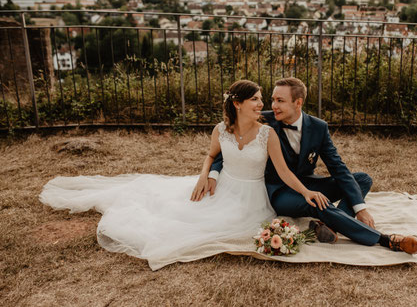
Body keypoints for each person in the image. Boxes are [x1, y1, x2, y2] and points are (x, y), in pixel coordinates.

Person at [39, 80, 333, 270]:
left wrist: (306, 192)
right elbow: (211, 155)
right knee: (184, 217)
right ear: (237, 103)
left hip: (253, 195)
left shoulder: (267, 132)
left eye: (262, 99)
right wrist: (204, 175)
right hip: (224, 187)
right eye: (256, 100)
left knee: (223, 226)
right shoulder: (220, 130)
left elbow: (282, 171)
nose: (262, 105)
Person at [207, 78, 417, 255]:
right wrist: (212, 174)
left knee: (362, 179)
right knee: (317, 203)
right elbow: (231, 147)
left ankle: (329, 226)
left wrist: (360, 207)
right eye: (272, 99)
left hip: (306, 183)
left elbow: (337, 167)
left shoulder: (318, 128)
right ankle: (383, 239)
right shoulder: (262, 120)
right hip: (279, 190)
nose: (272, 106)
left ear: (298, 103)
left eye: (280, 101)